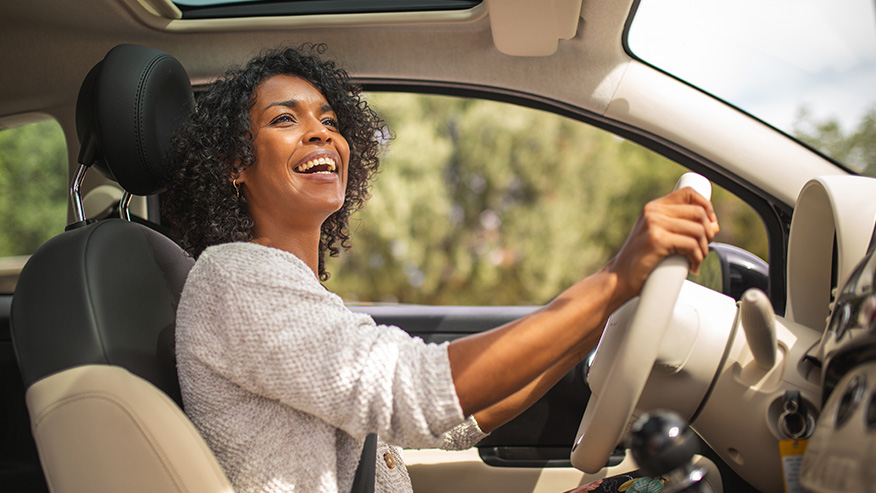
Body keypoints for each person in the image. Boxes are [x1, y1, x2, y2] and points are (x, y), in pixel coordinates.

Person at [162, 45, 718, 493]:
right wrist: (614, 280)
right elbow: (415, 393)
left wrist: (596, 321)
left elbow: (453, 422)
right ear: (236, 164)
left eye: (330, 121)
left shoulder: (299, 295)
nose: (321, 133)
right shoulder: (234, 278)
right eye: (285, 119)